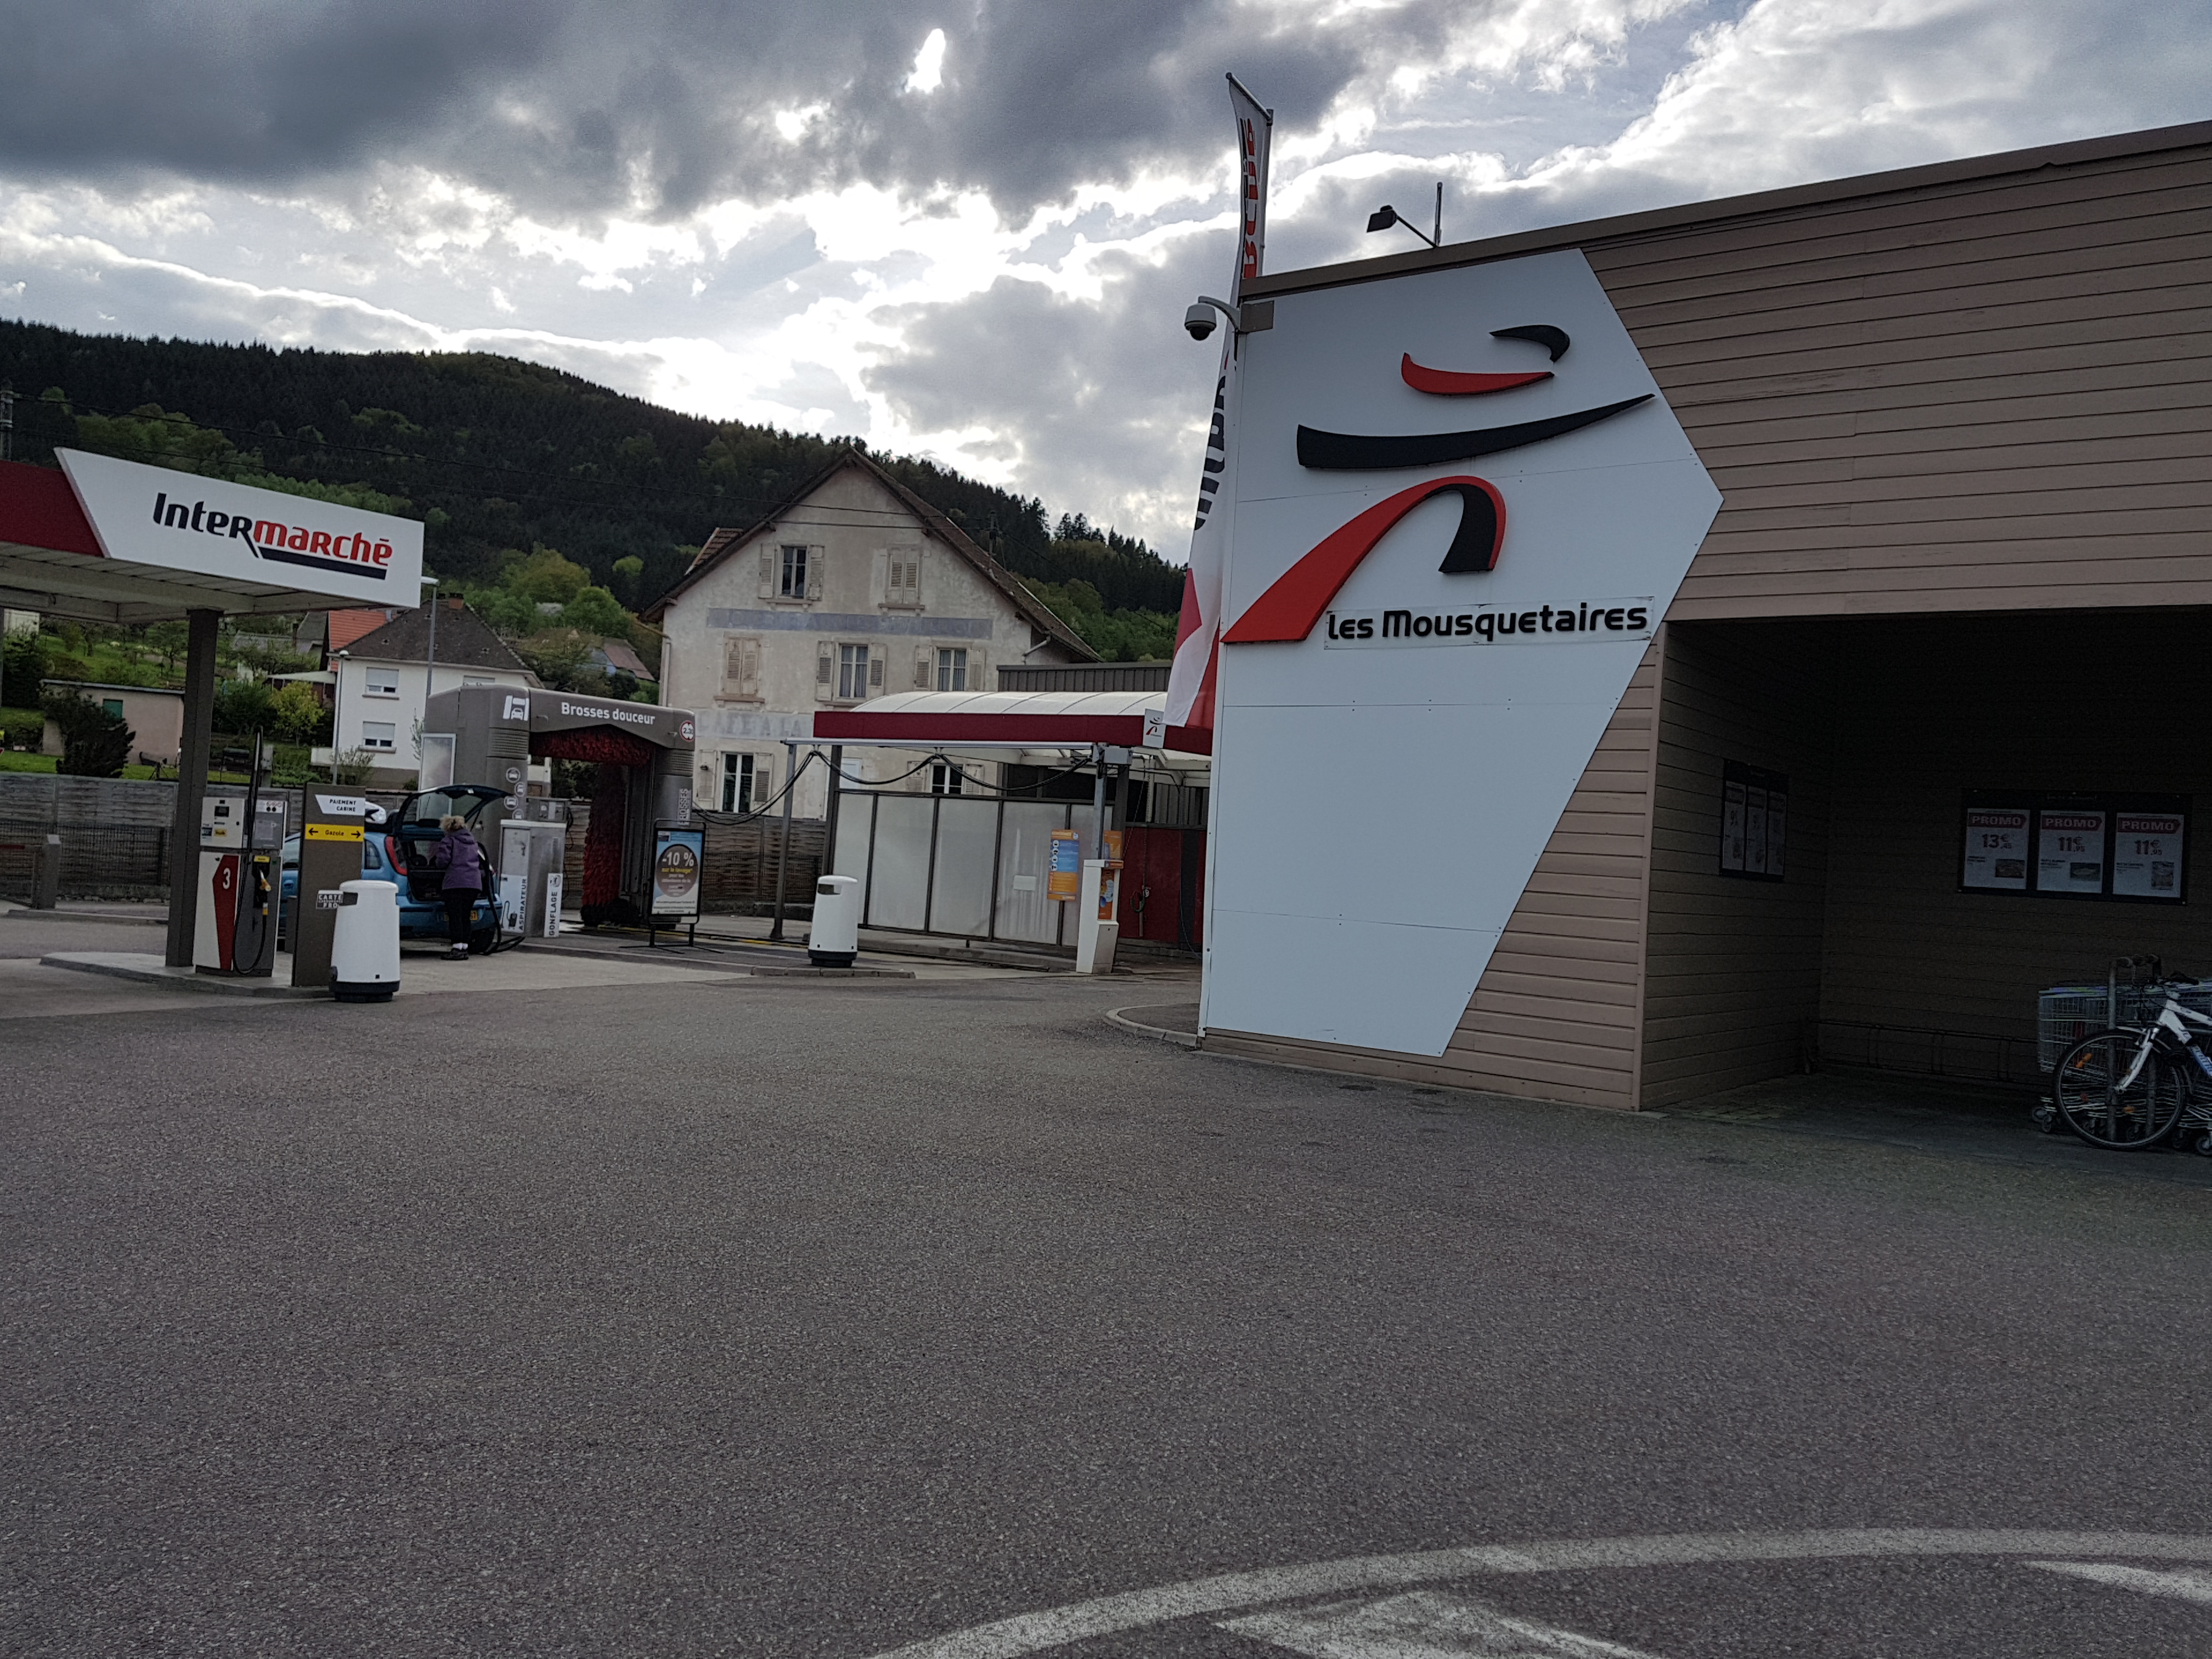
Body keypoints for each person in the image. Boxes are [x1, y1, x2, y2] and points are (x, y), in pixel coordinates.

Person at [430, 814, 490, 959]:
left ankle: (457, 948)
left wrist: (435, 863)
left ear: (448, 828)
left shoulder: (449, 840)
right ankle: (464, 948)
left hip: (455, 883)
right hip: (474, 884)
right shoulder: (473, 842)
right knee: (465, 915)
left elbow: (443, 861)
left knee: (455, 915)